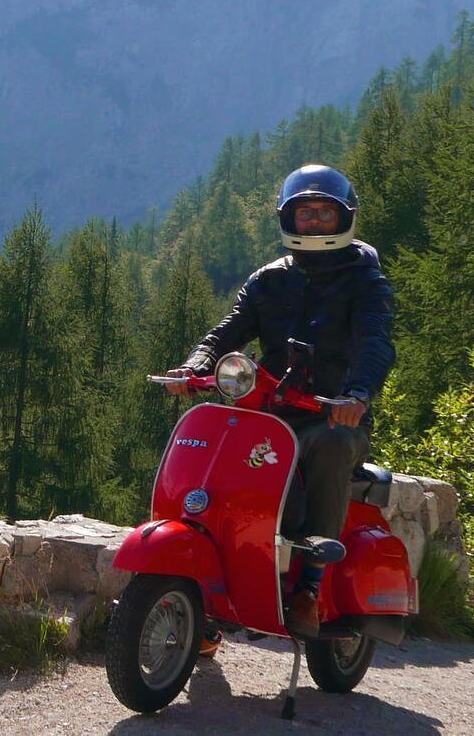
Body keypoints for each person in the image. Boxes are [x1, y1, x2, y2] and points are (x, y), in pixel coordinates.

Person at [159, 163, 396, 641]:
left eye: (324, 213)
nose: (313, 221)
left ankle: (310, 584)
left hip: (329, 415)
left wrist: (356, 395)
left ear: (344, 217)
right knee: (213, 454)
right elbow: (228, 330)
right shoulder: (269, 279)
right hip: (265, 413)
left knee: (330, 446)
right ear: (288, 218)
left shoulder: (364, 281)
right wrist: (195, 366)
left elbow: (376, 342)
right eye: (304, 212)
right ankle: (200, 592)